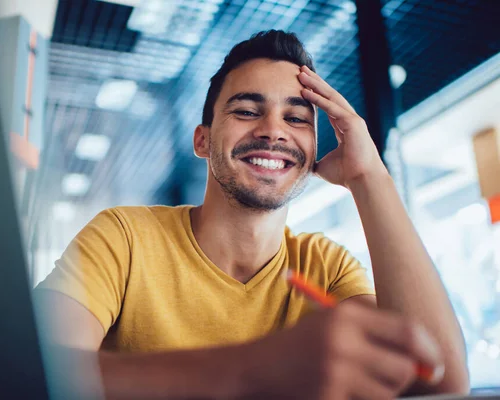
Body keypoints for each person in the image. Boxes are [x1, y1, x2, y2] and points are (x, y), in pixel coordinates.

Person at [34, 30, 469, 399]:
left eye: (297, 119)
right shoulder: (124, 239)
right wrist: (252, 369)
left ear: (314, 150)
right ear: (203, 141)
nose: (273, 130)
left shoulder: (326, 267)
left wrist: (369, 176)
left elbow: (440, 385)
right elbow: (25, 374)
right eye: (246, 111)